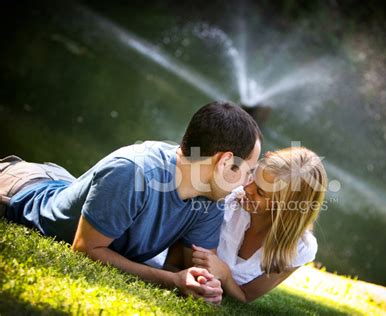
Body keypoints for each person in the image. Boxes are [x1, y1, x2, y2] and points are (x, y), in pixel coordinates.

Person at [0, 101, 262, 304]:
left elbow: (182, 266)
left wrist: (204, 284)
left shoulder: (211, 198)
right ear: (224, 161)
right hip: (21, 185)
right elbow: (85, 249)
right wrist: (172, 281)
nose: (246, 182)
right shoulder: (133, 172)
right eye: (247, 170)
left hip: (63, 183)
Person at [151, 147, 327, 302]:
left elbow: (246, 296)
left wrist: (225, 275)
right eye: (252, 177)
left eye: (260, 192)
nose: (246, 189)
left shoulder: (301, 248)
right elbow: (172, 263)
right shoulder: (225, 199)